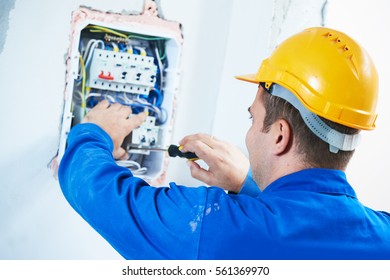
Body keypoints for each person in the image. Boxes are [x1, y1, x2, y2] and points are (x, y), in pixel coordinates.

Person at [58, 27, 390, 259]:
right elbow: (307, 233)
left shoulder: (215, 229)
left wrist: (94, 132)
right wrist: (248, 185)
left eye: (253, 118)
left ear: (279, 136)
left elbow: (99, 195)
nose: (247, 135)